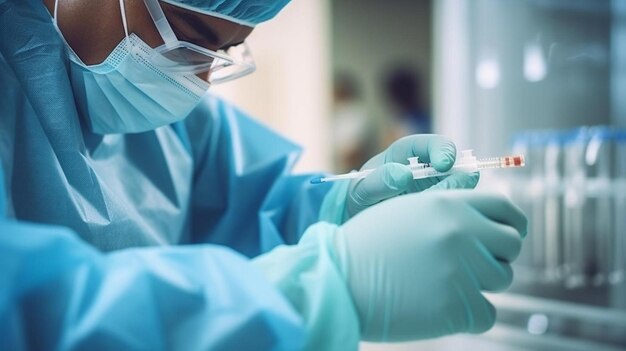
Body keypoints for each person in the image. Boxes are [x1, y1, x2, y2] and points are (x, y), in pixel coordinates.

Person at [0, 0, 528, 350]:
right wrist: (318, 286)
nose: (200, 79)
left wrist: (343, 210)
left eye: (223, 52)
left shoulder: (177, 127)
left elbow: (240, 212)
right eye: (189, 38)